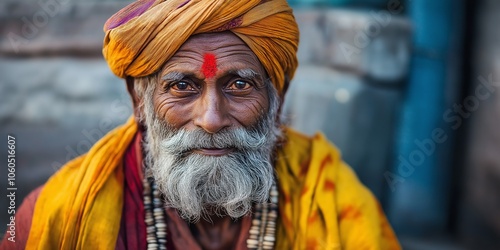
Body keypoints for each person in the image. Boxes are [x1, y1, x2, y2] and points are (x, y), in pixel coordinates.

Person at [1, 0, 401, 249]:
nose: (211, 119)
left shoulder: (330, 195)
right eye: (181, 86)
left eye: (240, 84)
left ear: (278, 99)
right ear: (140, 101)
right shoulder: (60, 213)